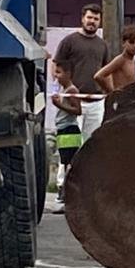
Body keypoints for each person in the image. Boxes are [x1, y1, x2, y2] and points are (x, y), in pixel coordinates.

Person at [53, 3, 109, 142]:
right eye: (89, 17)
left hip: (96, 103)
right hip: (73, 102)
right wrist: (55, 90)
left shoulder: (102, 45)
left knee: (92, 143)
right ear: (82, 18)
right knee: (71, 144)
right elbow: (56, 66)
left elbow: (106, 71)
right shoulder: (69, 41)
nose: (92, 21)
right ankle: (66, 165)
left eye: (96, 19)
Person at [51, 61, 83, 210]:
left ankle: (68, 194)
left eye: (59, 72)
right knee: (65, 164)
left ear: (69, 74)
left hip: (70, 131)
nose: (56, 76)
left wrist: (59, 105)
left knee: (69, 165)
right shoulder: (64, 89)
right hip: (63, 130)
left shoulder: (72, 90)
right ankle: (65, 193)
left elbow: (77, 110)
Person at [93, 24, 135, 95]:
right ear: (123, 43)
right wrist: (111, 92)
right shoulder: (121, 60)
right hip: (120, 101)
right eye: (131, 42)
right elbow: (98, 76)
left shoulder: (134, 62)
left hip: (130, 100)